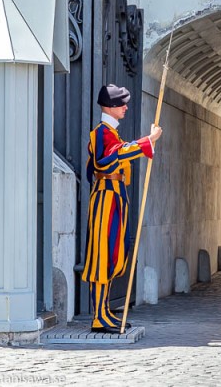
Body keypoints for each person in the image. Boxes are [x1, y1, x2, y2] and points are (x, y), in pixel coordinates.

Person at [82, 83, 162, 334]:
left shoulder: (111, 133)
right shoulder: (102, 133)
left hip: (115, 197)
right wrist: (146, 142)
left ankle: (104, 311)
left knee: (112, 255)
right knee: (101, 257)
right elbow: (106, 162)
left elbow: (119, 152)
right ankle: (98, 316)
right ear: (110, 107)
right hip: (106, 198)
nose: (126, 107)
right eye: (122, 104)